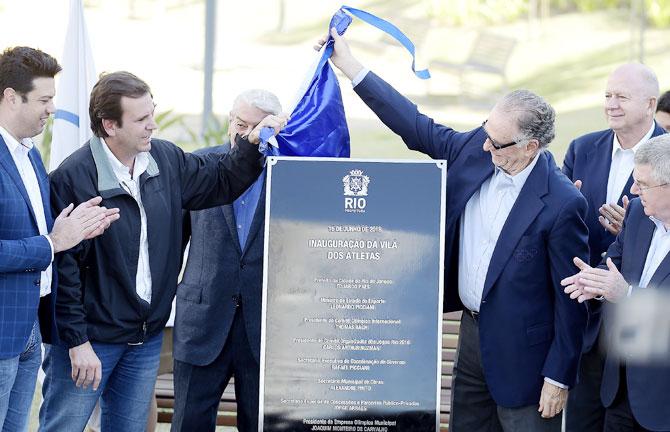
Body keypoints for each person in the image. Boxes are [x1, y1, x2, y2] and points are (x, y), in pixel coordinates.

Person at [316, 29, 589, 431]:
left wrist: (558, 376)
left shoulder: (564, 203)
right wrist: (351, 67)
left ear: (529, 147)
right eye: (485, 130)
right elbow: (414, 124)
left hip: (526, 363)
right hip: (472, 340)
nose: (484, 146)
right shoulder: (475, 150)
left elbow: (573, 302)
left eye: (496, 142)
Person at [39, 71, 287, 432]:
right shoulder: (72, 178)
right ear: (109, 125)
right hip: (91, 343)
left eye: (152, 113)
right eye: (141, 119)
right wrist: (77, 342)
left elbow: (221, 180)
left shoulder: (166, 160)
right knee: (63, 427)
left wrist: (249, 145)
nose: (152, 125)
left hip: (144, 341)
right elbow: (64, 269)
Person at [0, 46, 118, 431]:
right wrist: (53, 243)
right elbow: (46, 242)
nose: (52, 109)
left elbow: (43, 228)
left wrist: (79, 229)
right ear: (10, 97)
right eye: (44, 100)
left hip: (30, 328)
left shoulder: (29, 153)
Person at [170, 89, 281, 432]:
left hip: (265, 329)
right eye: (238, 122)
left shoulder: (291, 174)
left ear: (273, 129)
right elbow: (174, 244)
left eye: (254, 127)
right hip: (202, 322)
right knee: (189, 424)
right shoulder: (198, 165)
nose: (243, 133)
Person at [562, 63, 665, 432]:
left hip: (650, 336)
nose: (611, 104)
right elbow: (564, 226)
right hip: (591, 313)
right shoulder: (582, 148)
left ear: (650, 104)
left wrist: (642, 225)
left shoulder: (667, 156)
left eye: (622, 96)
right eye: (608, 95)